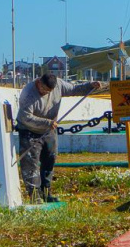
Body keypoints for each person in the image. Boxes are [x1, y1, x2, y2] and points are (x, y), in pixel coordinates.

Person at [16, 74, 104, 204]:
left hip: (49, 130)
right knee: (31, 165)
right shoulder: (28, 94)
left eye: (49, 91)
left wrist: (90, 86)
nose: (46, 93)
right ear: (39, 82)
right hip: (29, 131)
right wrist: (47, 122)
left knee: (50, 160)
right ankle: (35, 197)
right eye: (44, 90)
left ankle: (46, 193)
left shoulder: (59, 85)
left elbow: (74, 89)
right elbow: (25, 117)